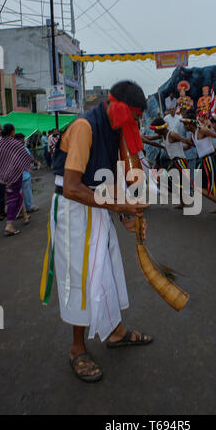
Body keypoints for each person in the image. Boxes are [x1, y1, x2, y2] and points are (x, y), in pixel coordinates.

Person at [41, 81, 153, 383]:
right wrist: (118, 207)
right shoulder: (84, 127)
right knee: (81, 277)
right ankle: (77, 349)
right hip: (72, 209)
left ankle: (114, 332)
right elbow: (74, 187)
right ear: (118, 108)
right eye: (134, 116)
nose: (136, 123)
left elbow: (109, 178)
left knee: (108, 270)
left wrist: (125, 215)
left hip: (97, 206)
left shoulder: (116, 128)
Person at [182, 110, 216, 214]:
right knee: (200, 186)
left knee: (201, 186)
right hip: (204, 161)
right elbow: (187, 146)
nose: (183, 127)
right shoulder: (192, 135)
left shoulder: (202, 130)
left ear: (190, 124)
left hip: (210, 160)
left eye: (185, 124)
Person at [0, 124, 33, 236]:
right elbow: (25, 157)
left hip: (3, 177)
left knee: (14, 198)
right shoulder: (16, 144)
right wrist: (34, 162)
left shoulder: (0, 143)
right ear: (12, 131)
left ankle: (17, 217)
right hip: (14, 176)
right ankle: (9, 225)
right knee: (14, 198)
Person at [14, 133, 39, 214]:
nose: (24, 141)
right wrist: (34, 164)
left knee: (18, 195)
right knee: (27, 192)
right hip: (24, 175)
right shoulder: (23, 149)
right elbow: (29, 161)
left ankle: (20, 211)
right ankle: (29, 207)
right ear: (18, 140)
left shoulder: (11, 149)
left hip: (15, 176)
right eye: (23, 139)